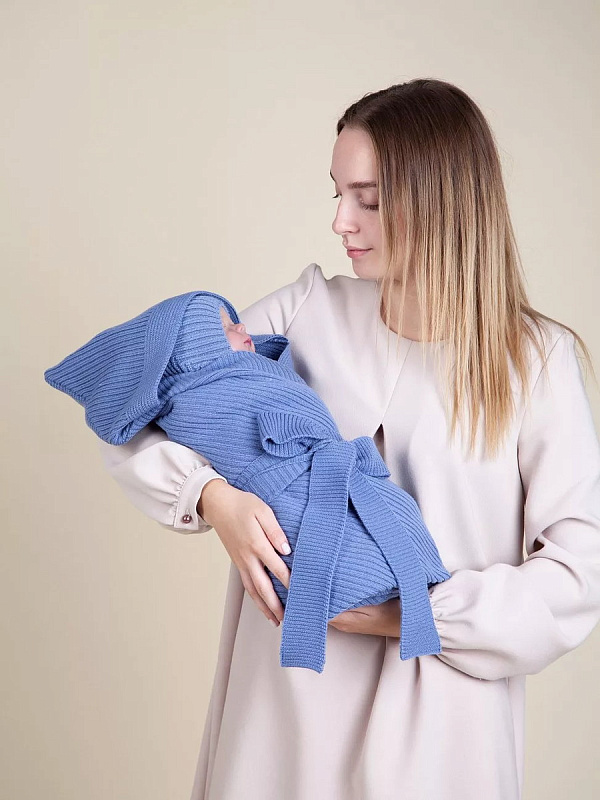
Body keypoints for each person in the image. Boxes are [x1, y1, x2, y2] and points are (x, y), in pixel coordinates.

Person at [96, 79, 600, 799]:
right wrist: (212, 499)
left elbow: (578, 578)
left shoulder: (535, 362)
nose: (340, 221)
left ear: (443, 200)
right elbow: (138, 404)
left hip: (440, 735)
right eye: (338, 194)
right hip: (281, 718)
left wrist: (408, 614)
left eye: (369, 199)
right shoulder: (305, 312)